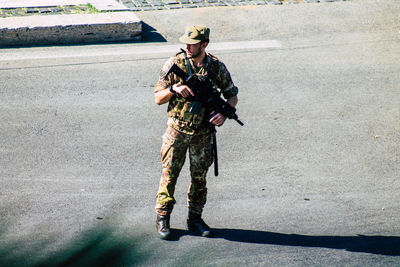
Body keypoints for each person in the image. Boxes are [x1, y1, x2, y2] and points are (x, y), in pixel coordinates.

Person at [154, 25, 239, 239]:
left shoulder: (217, 67)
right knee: (169, 174)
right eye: (186, 43)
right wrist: (174, 89)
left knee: (199, 178)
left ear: (204, 44)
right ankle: (163, 217)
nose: (187, 46)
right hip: (177, 130)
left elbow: (231, 95)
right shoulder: (175, 63)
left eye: (192, 44)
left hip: (202, 134)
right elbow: (157, 97)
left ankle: (195, 218)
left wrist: (225, 114)